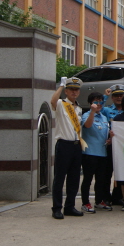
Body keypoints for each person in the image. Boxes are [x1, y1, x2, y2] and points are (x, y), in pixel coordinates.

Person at [50, 77, 85, 219]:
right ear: (66, 91)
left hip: (76, 146)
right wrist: (61, 86)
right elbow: (53, 101)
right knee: (59, 178)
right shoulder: (61, 104)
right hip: (64, 145)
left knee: (74, 179)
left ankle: (69, 206)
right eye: (71, 89)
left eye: (76, 90)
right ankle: (56, 208)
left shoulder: (79, 108)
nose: (74, 92)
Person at [80, 92, 112, 213]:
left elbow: (104, 133)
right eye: (95, 102)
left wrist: (109, 139)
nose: (98, 104)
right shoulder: (86, 115)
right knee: (88, 179)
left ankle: (99, 201)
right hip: (89, 153)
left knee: (101, 179)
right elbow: (87, 126)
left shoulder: (104, 117)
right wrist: (92, 112)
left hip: (102, 153)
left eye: (100, 102)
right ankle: (85, 203)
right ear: (90, 103)